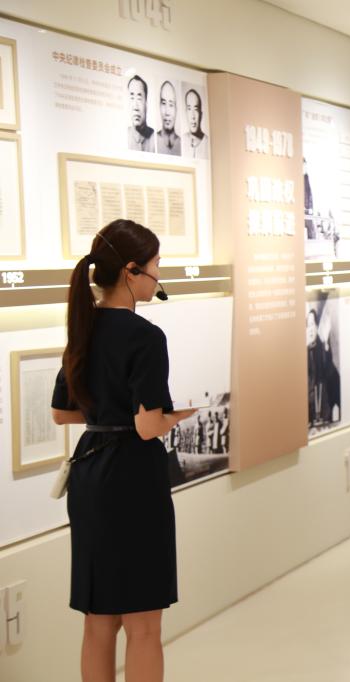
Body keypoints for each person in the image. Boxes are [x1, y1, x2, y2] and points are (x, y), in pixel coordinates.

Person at [50, 219, 195, 682]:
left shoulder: (83, 327)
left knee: (98, 623)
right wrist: (175, 417)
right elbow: (148, 427)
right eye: (156, 266)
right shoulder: (146, 337)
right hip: (132, 476)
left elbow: (62, 413)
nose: (158, 276)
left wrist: (108, 415)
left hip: (90, 472)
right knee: (144, 627)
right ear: (132, 271)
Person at [126, 75, 155, 152]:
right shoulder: (123, 136)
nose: (135, 107)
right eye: (132, 98)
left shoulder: (155, 139)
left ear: (146, 103)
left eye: (139, 98)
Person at [155, 81, 181, 156]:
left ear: (176, 109)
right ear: (159, 106)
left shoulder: (182, 143)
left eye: (171, 104)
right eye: (163, 103)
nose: (167, 112)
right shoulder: (154, 140)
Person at [182, 89, 209, 160]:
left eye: (196, 109)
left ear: (201, 114)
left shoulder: (208, 143)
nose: (193, 116)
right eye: (189, 109)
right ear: (185, 112)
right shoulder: (182, 140)